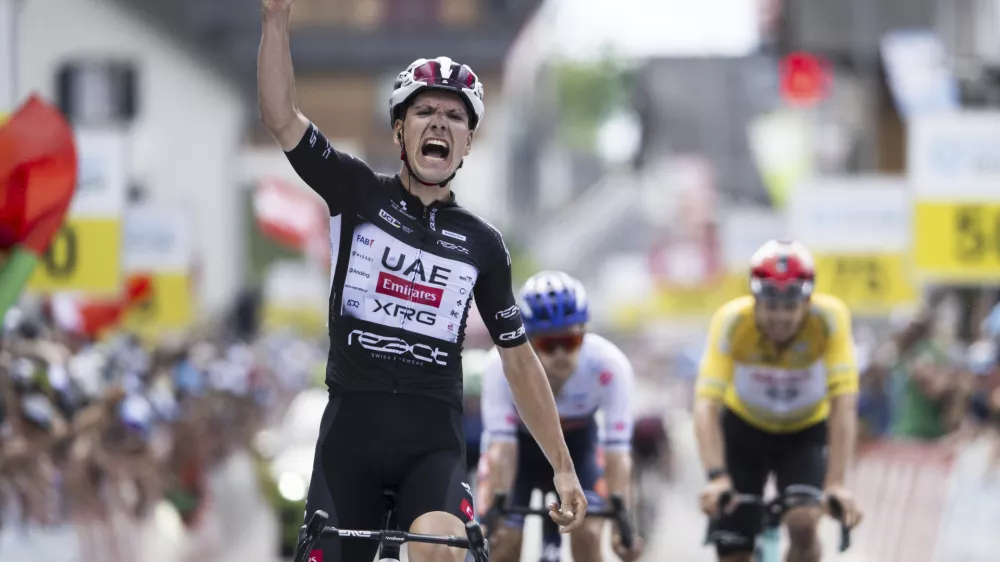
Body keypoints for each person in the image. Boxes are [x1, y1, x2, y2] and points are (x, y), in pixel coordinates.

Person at [257, 2, 588, 561]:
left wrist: (563, 467)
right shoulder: (355, 192)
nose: (439, 122)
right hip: (351, 433)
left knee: (441, 551)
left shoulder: (483, 243)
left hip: (431, 442)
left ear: (467, 143)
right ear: (398, 131)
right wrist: (275, 18)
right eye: (424, 111)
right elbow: (281, 116)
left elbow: (519, 360)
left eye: (455, 116)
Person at [694, 240, 863, 562]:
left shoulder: (829, 319)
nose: (780, 318)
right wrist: (717, 477)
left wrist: (837, 483)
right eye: (771, 306)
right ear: (754, 300)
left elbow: (843, 404)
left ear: (808, 302)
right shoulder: (732, 322)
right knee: (734, 553)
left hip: (803, 432)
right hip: (744, 431)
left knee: (803, 522)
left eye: (790, 307)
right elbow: (706, 406)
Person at [478, 271, 643, 562]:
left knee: (589, 534)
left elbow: (617, 454)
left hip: (580, 447)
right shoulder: (499, 365)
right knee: (504, 542)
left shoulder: (609, 365)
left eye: (570, 341)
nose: (560, 355)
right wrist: (492, 516)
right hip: (519, 451)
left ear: (584, 333)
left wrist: (622, 523)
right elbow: (502, 450)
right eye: (546, 344)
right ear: (526, 340)